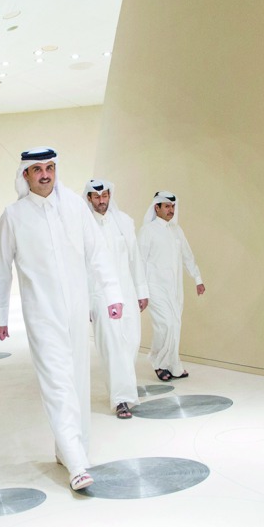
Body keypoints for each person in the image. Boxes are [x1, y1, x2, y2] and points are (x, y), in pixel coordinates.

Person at [0, 147, 123, 491]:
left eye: (49, 167)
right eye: (37, 169)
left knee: (77, 381)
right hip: (41, 314)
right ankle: (77, 464)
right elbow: (1, 267)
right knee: (58, 384)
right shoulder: (13, 215)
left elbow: (97, 252)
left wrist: (113, 293)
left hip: (77, 311)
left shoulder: (75, 206)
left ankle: (70, 451)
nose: (45, 174)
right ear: (25, 175)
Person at [83, 179, 149, 419]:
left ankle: (124, 389)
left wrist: (141, 291)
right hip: (99, 295)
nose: (102, 201)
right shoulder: (82, 225)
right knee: (112, 347)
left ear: (110, 196)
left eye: (105, 196)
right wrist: (85, 302)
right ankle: (120, 399)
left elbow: (135, 257)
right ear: (89, 198)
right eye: (97, 196)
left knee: (131, 342)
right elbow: (80, 266)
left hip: (127, 291)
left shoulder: (124, 221)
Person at [138, 190, 205, 382]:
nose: (171, 210)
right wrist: (141, 291)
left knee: (175, 325)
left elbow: (187, 256)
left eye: (173, 206)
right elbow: (139, 262)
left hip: (175, 288)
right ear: (156, 208)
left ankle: (173, 364)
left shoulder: (176, 230)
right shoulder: (147, 231)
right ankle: (158, 363)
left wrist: (197, 278)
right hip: (154, 287)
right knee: (165, 325)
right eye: (167, 206)